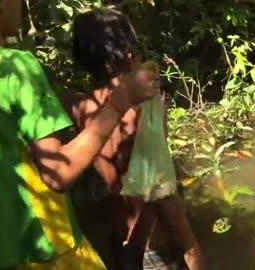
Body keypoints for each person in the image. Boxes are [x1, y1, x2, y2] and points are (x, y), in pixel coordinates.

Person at [0, 1, 158, 269]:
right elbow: (59, 171)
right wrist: (122, 98)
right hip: (45, 247)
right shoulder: (15, 68)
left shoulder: (73, 105)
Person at [67, 8, 203, 270]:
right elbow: (159, 185)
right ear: (129, 55)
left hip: (120, 237)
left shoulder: (80, 107)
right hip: (156, 242)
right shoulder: (143, 108)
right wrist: (191, 246)